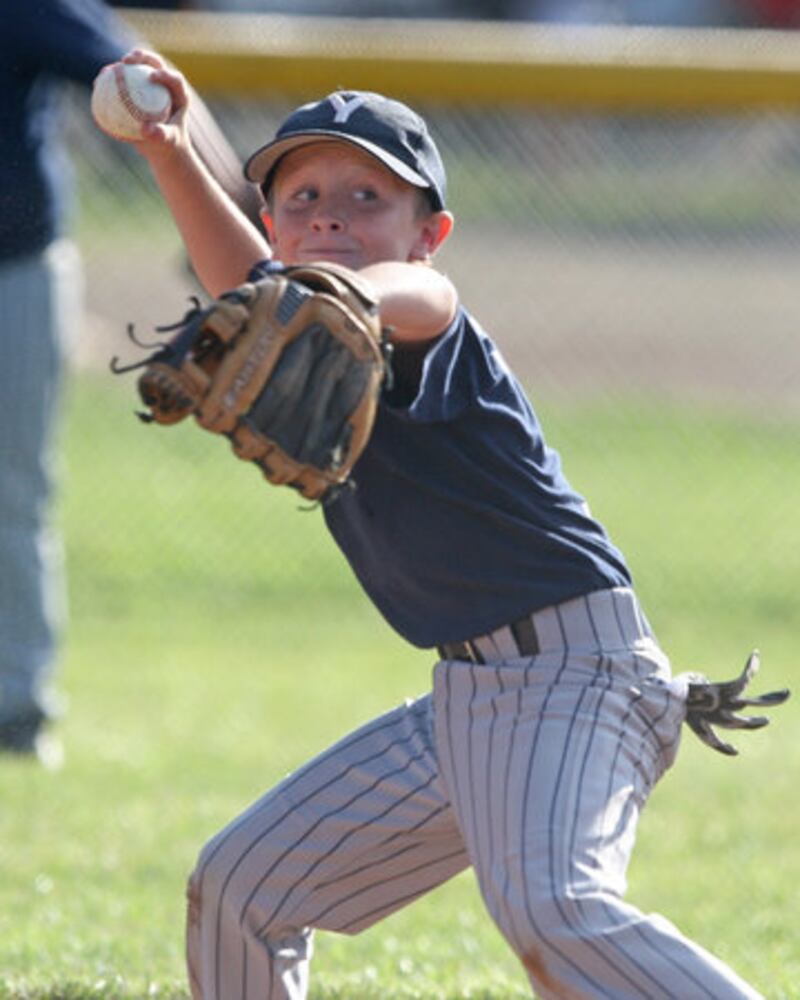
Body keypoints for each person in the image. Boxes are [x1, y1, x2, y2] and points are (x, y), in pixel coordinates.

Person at [101, 47, 785, 999]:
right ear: (271, 221)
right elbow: (251, 285)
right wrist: (172, 150)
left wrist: (345, 289)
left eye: (368, 196)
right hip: (470, 700)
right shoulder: (291, 314)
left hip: (577, 677)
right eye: (302, 197)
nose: (330, 212)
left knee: (557, 910)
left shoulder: (422, 311)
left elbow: (412, 300)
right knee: (240, 886)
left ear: (429, 232)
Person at [0, 1, 262, 769]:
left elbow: (144, 79)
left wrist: (238, 217)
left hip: (12, 268)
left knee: (12, 487)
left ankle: (16, 703)